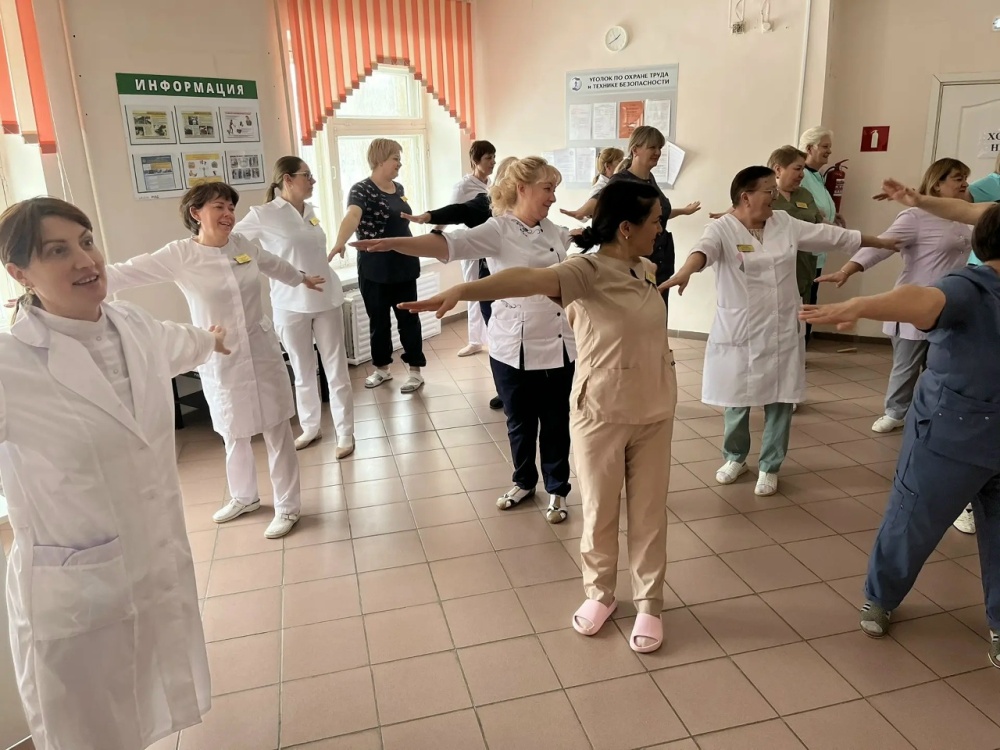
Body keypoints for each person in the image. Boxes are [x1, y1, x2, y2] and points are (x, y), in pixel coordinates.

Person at [400, 180, 676, 652]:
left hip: (654, 407)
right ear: (626, 228)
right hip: (602, 410)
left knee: (649, 514)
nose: (661, 230)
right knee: (600, 512)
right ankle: (601, 594)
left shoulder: (645, 269)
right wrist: (464, 290)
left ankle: (649, 603)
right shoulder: (586, 270)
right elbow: (525, 279)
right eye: (656, 221)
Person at [0, 197, 230, 749]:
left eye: (86, 242)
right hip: (74, 586)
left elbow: (185, 342)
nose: (86, 261)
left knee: (141, 704)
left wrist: (214, 340)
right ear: (19, 273)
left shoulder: (133, 326)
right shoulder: (10, 365)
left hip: (150, 562)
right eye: (57, 251)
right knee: (90, 727)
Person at [799, 202, 1000, 670]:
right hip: (952, 437)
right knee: (913, 522)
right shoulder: (970, 288)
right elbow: (922, 301)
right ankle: (881, 596)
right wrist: (859, 306)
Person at [353, 157, 576, 524]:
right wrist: (394, 243)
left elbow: (572, 240)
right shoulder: (498, 230)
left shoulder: (551, 228)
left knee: (555, 421)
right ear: (522, 189)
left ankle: (557, 489)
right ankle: (523, 482)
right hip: (512, 343)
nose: (553, 197)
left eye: (554, 189)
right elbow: (448, 244)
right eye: (547, 189)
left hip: (557, 342)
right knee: (519, 421)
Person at [105, 183, 325, 540]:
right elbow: (124, 273)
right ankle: (244, 497)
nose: (228, 215)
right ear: (196, 213)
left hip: (260, 348)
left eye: (231, 208)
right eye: (219, 207)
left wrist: (301, 279)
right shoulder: (180, 254)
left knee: (277, 428)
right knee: (231, 429)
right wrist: (67, 286)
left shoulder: (244, 246)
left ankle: (288, 506)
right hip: (219, 352)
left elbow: (274, 265)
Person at [662, 166, 896, 497]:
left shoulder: (784, 223)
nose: (775, 196)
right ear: (746, 197)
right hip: (740, 329)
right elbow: (702, 252)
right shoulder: (721, 228)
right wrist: (686, 271)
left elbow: (832, 236)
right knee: (737, 398)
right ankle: (735, 458)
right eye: (768, 191)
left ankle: (770, 466)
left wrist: (881, 242)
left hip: (782, 325)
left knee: (781, 399)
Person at [817, 158, 973, 434]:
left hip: (950, 302)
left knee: (943, 364)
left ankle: (937, 411)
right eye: (958, 178)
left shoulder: (964, 216)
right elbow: (881, 245)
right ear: (937, 184)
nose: (965, 184)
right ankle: (896, 411)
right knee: (908, 363)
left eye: (965, 178)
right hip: (914, 300)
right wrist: (846, 270)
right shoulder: (915, 216)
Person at [235, 156, 355, 458]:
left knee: (336, 370)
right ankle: (311, 427)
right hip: (289, 304)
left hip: (326, 300)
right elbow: (234, 243)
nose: (312, 180)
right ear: (287, 179)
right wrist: (257, 268)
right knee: (302, 371)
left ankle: (345, 433)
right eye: (306, 175)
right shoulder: (263, 214)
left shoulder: (311, 212)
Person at [404, 155, 519, 412]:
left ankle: (519, 389)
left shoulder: (529, 211)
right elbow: (459, 210)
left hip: (519, 283)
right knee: (497, 336)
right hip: (490, 277)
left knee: (516, 337)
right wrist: (429, 218)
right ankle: (504, 389)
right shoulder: (487, 203)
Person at [330, 138, 426, 392]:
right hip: (375, 267)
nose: (399, 164)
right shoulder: (361, 190)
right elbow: (353, 215)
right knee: (379, 321)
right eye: (396, 159)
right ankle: (382, 369)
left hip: (403, 263)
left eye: (400, 159)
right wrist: (340, 242)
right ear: (380, 160)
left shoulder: (399, 187)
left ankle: (415, 371)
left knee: (409, 319)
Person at [607, 126, 701, 313]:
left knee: (658, 313)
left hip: (660, 259)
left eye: (660, 148)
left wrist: (683, 211)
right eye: (652, 147)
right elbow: (610, 224)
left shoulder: (649, 179)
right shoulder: (620, 182)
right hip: (635, 263)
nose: (658, 152)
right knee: (638, 316)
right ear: (635, 150)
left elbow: (657, 215)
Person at [448, 139, 496, 357]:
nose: (492, 162)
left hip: (491, 243)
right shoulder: (463, 186)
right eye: (488, 158)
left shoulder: (491, 184)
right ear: (475, 161)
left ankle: (491, 337)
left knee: (491, 291)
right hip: (473, 244)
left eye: (494, 158)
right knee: (472, 289)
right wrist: (435, 234)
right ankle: (475, 340)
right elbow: (450, 211)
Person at [767, 146, 826, 303]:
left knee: (802, 315)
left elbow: (819, 225)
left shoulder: (804, 195)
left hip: (803, 273)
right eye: (797, 169)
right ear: (778, 169)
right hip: (772, 277)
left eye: (803, 169)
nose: (802, 174)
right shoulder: (764, 195)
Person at [798, 126, 842, 336]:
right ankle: (800, 345)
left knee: (811, 301)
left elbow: (817, 206)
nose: (829, 151)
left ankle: (804, 344)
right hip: (805, 254)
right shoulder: (802, 176)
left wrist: (833, 215)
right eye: (825, 146)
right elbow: (803, 208)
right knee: (804, 304)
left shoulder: (816, 176)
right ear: (810, 148)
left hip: (817, 253)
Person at [559, 146, 625, 221]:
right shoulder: (599, 188)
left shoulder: (617, 182)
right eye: (620, 162)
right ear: (607, 166)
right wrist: (582, 214)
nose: (623, 166)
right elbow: (586, 218)